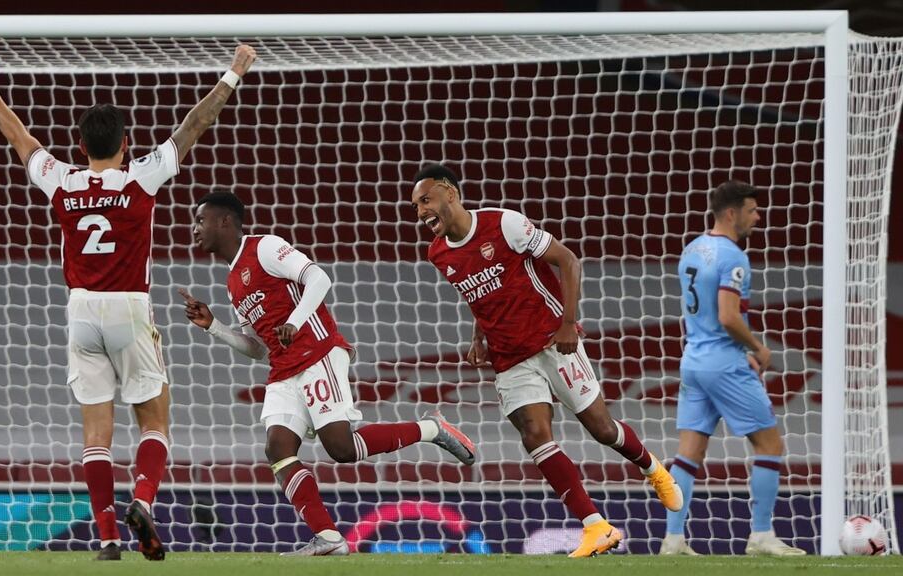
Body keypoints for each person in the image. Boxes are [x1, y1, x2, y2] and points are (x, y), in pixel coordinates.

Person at [0, 45, 258, 561]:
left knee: (96, 433)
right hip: (129, 307)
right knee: (155, 421)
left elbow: (19, 137)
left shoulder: (61, 178)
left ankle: (106, 538)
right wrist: (233, 73)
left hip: (81, 311)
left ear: (80, 146)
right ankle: (142, 500)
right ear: (127, 144)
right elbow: (193, 126)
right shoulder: (140, 176)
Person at [180, 190, 476, 556]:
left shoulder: (265, 248)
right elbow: (257, 348)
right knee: (277, 448)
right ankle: (329, 538)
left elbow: (319, 278)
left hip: (317, 352)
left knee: (341, 448)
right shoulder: (232, 283)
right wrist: (214, 326)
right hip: (282, 370)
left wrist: (295, 320)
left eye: (200, 220)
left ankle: (431, 429)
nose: (195, 229)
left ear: (224, 221)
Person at [409, 163, 683, 558]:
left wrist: (568, 324)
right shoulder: (437, 253)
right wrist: (478, 336)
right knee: (535, 434)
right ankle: (596, 526)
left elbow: (568, 261)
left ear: (449, 193)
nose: (421, 211)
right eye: (416, 206)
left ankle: (652, 468)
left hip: (553, 340)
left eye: (426, 200)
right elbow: (481, 294)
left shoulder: (505, 224)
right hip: (509, 357)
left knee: (602, 429)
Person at [661, 181, 805, 556]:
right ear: (731, 213)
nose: (758, 217)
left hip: (694, 360)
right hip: (724, 364)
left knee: (688, 453)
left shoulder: (692, 248)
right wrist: (757, 347)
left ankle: (673, 539)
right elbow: (727, 316)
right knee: (769, 444)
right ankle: (761, 535)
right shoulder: (733, 257)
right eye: (752, 210)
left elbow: (706, 313)